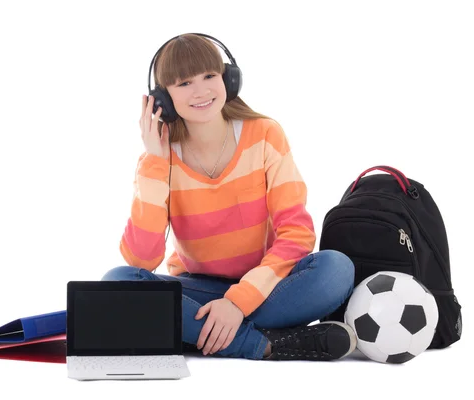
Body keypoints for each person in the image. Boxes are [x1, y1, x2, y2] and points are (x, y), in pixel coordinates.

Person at [102, 33, 357, 361]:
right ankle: (266, 344)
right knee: (119, 283)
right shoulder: (157, 159)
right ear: (162, 99)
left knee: (336, 269)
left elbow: (297, 234)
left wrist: (238, 302)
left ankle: (193, 334)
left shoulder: (264, 134)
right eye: (184, 83)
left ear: (229, 79)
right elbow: (141, 260)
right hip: (198, 289)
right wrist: (154, 161)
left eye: (209, 76)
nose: (201, 91)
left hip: (267, 286)